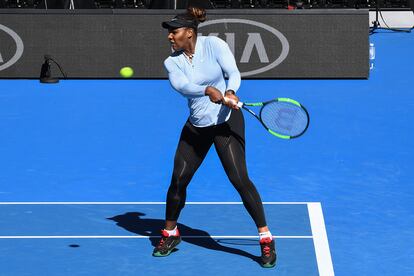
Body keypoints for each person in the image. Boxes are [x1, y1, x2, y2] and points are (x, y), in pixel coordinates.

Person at [153, 7, 276, 268]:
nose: (169, 37)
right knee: (178, 181)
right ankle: (171, 233)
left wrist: (230, 90)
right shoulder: (172, 62)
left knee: (239, 179)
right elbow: (181, 86)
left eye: (173, 32)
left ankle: (265, 238)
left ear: (189, 32)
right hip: (197, 127)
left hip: (225, 124)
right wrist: (206, 89)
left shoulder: (215, 45)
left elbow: (233, 72)